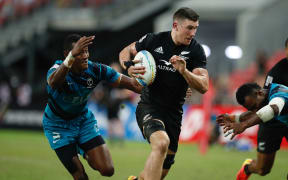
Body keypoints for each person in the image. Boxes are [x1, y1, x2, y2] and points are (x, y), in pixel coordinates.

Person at [119, 7, 209, 180]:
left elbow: (204, 86)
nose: (193, 32)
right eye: (189, 27)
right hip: (150, 106)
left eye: (196, 28)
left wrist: (185, 72)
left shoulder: (196, 51)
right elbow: (125, 51)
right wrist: (128, 66)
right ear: (175, 25)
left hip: (174, 114)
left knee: (160, 172)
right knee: (161, 144)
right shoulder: (153, 40)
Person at [43, 34, 142, 180]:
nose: (85, 56)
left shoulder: (95, 70)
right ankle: (84, 152)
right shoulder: (57, 69)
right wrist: (71, 57)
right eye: (80, 52)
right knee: (80, 176)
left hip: (83, 121)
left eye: (86, 51)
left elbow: (133, 85)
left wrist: (163, 89)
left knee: (107, 169)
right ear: (67, 54)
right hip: (58, 126)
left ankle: (86, 153)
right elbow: (53, 82)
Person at [216, 38, 288, 180]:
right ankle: (248, 167)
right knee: (263, 169)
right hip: (271, 123)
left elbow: (260, 105)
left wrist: (240, 121)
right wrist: (239, 120)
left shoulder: (264, 92)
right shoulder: (277, 77)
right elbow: (270, 108)